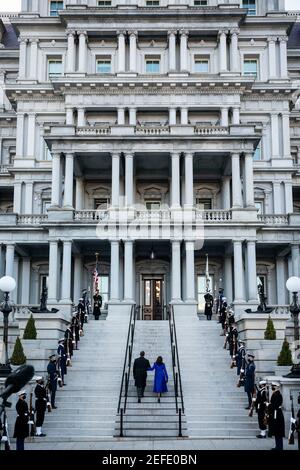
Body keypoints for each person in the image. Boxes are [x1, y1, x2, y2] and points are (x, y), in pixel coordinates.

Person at [268, 382, 285, 451]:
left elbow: (276, 405)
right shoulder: (275, 394)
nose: (272, 387)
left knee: (278, 432)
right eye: (272, 386)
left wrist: (268, 405)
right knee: (276, 431)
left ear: (277, 387)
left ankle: (279, 447)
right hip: (275, 414)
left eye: (273, 386)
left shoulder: (278, 395)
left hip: (278, 415)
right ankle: (277, 446)